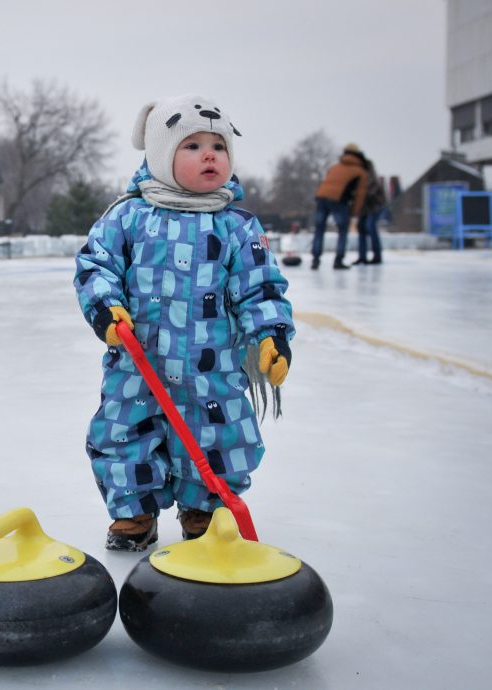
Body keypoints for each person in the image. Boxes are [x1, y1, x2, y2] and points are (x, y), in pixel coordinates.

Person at [73, 95, 295, 551]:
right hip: (137, 363)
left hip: (211, 365)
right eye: (191, 145)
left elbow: (260, 286)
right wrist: (106, 308)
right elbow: (96, 266)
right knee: (124, 432)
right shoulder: (129, 216)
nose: (210, 154)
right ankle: (134, 512)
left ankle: (204, 510)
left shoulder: (237, 226)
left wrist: (271, 335)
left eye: (219, 144)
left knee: (218, 436)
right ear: (159, 155)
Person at [312, 143, 369, 270]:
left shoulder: (335, 167)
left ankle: (315, 259)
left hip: (321, 197)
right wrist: (354, 212)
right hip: (338, 200)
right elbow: (360, 195)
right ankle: (339, 259)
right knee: (343, 229)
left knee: (319, 228)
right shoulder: (361, 172)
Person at [353, 157, 386, 265]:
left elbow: (370, 193)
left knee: (370, 226)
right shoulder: (359, 177)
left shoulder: (371, 178)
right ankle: (362, 256)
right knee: (361, 228)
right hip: (364, 207)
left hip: (375, 206)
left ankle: (377, 256)